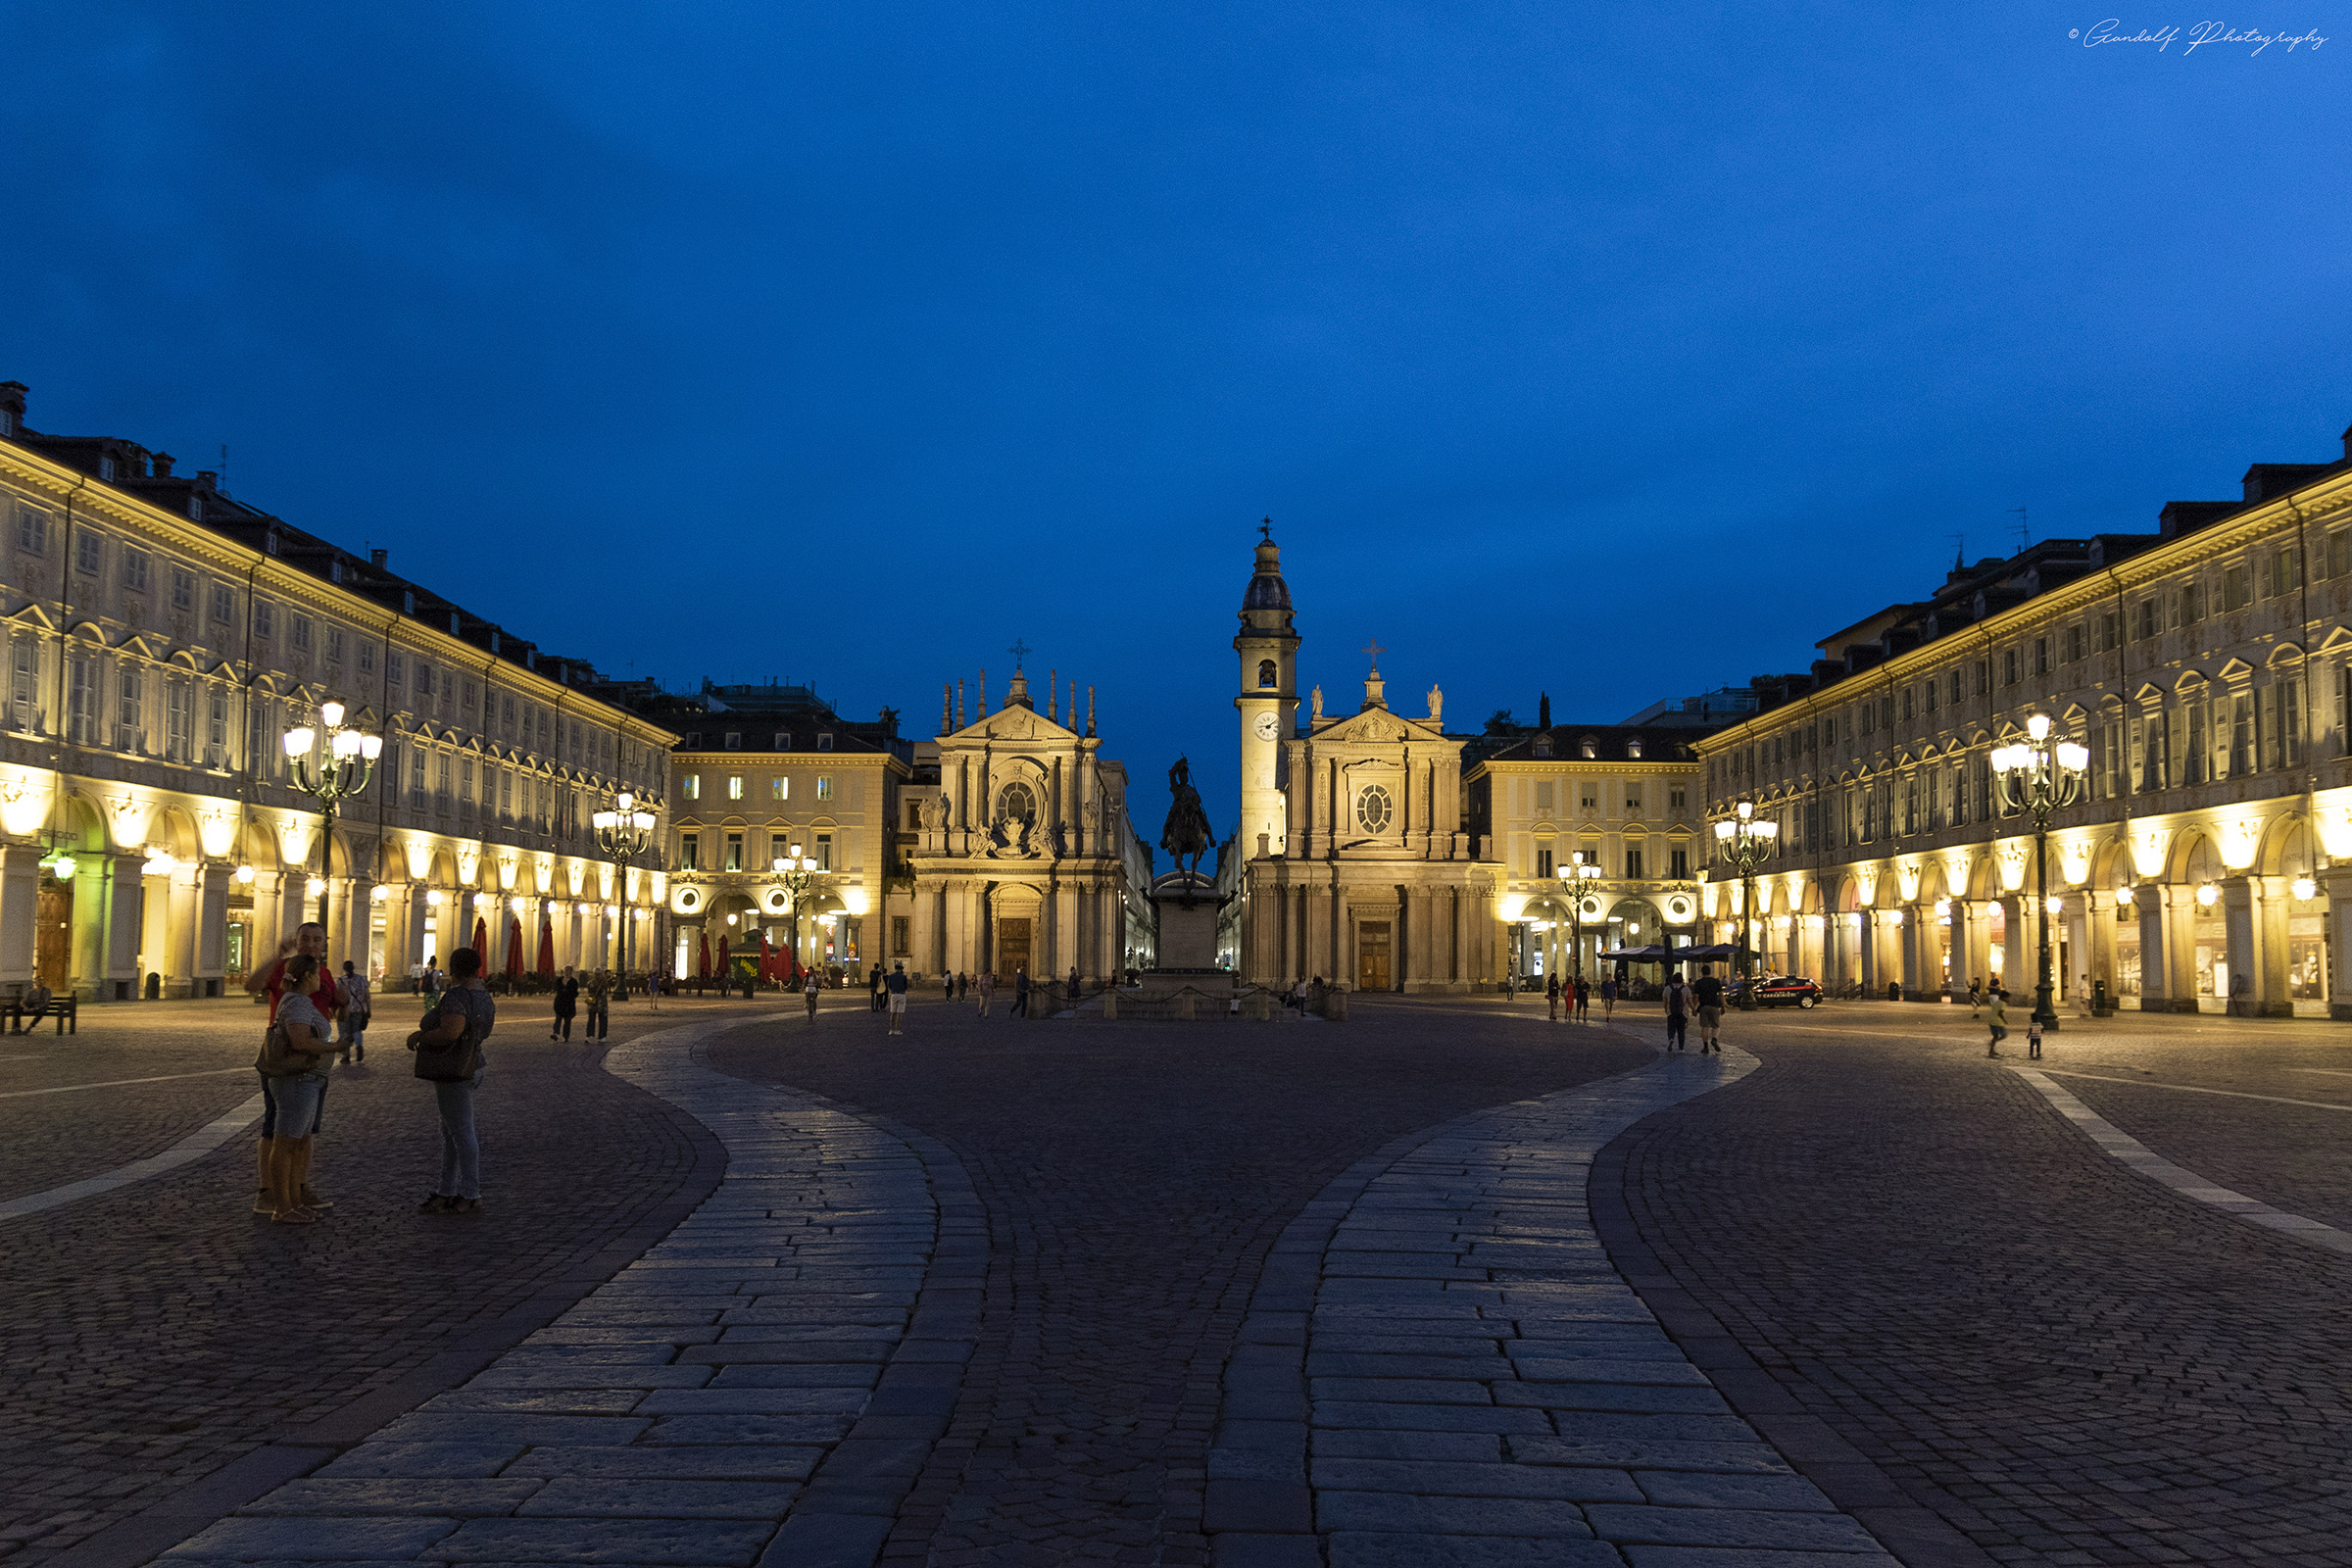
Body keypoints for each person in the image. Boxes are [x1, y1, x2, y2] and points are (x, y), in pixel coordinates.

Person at [245, 923, 343, 1215]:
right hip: (286, 1057)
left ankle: (298, 1187)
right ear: (296, 942)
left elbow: (336, 1005)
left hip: (315, 1062)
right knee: (275, 1128)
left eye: (316, 940)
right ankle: (268, 1192)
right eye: (305, 939)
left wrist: (348, 1002)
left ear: (325, 944)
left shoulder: (323, 974)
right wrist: (276, 956)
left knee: (305, 1129)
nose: (311, 944)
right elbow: (252, 985)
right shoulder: (284, 968)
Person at [414, 947, 494, 1214]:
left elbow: (451, 1032)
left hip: (455, 1068)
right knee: (451, 1132)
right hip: (476, 1063)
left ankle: (471, 1193)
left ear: (454, 968)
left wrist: (419, 1038)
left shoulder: (457, 996)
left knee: (461, 1134)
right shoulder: (484, 996)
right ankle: (446, 1190)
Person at [263, 955, 336, 1224]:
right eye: (317, 974)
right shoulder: (296, 1003)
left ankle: (293, 1201)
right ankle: (282, 1207)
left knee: (297, 1142)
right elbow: (301, 1041)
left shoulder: (301, 1002)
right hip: (297, 1080)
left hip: (308, 1080)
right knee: (285, 1143)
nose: (320, 978)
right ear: (307, 976)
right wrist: (336, 1047)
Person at [337, 959, 372, 1063]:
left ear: (344, 969)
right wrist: (368, 1009)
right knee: (357, 1030)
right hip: (359, 1009)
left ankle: (346, 1056)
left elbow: (337, 996)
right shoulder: (361, 979)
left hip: (345, 1009)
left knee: (345, 1032)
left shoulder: (341, 981)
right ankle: (359, 1046)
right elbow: (367, 995)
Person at [1691, 965, 1726, 1054]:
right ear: (1710, 972)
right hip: (1714, 1006)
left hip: (1703, 1007)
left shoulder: (1699, 982)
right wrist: (1723, 1005)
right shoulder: (1716, 981)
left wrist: (1694, 1008)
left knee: (1704, 1027)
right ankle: (1714, 1039)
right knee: (1716, 1026)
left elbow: (1696, 997)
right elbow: (1721, 994)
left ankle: (1705, 1047)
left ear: (1701, 972)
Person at [1662, 971, 1691, 1053]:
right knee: (1681, 1031)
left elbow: (1665, 1001)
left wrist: (1666, 1009)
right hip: (1682, 1013)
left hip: (1671, 1012)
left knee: (1671, 1028)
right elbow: (1689, 1000)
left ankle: (1671, 1039)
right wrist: (1694, 1009)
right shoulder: (1686, 989)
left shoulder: (1667, 988)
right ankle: (1681, 1048)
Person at [551, 966, 579, 1041]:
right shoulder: (559, 980)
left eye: (569, 971)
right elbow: (556, 989)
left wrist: (569, 995)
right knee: (558, 1019)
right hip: (559, 1003)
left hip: (569, 1004)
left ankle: (565, 1036)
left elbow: (575, 993)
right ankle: (555, 1033)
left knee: (567, 1021)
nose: (567, 972)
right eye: (566, 970)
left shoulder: (574, 982)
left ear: (571, 972)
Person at [885, 960, 910, 1035]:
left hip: (894, 994)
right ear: (901, 969)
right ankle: (897, 1029)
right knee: (899, 1013)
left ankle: (891, 1029)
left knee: (892, 1013)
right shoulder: (904, 977)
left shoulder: (891, 976)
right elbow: (906, 987)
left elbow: (889, 986)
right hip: (901, 995)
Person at [586, 968, 612, 1039]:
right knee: (591, 1020)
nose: (597, 976)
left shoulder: (604, 983)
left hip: (602, 1004)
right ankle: (590, 1034)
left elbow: (608, 984)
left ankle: (602, 1036)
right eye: (596, 974)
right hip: (593, 1003)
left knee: (603, 1020)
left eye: (599, 975)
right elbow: (590, 993)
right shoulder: (590, 983)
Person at [1985, 985, 2009, 1056]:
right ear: (2004, 997)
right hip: (1997, 1022)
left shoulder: (1997, 1002)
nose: (2008, 1000)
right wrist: (2005, 1020)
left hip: (1991, 1020)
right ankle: (1992, 1043)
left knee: (1995, 1036)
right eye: (2008, 998)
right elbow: (2000, 1013)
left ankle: (1991, 1051)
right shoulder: (2003, 1003)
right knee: (2004, 1034)